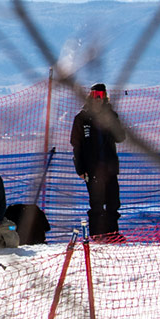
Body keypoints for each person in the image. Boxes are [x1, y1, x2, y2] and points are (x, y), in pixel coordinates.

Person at [70, 83, 127, 237]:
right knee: (96, 204)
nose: (98, 100)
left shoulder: (111, 116)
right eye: (95, 96)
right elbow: (76, 144)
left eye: (101, 96)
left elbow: (120, 137)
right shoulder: (82, 118)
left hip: (109, 168)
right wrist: (80, 169)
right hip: (92, 168)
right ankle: (96, 235)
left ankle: (112, 234)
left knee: (113, 203)